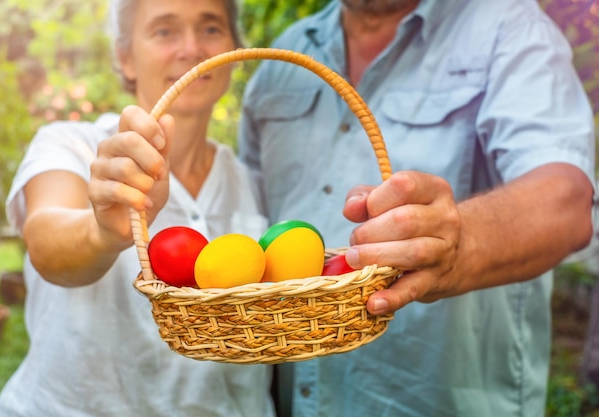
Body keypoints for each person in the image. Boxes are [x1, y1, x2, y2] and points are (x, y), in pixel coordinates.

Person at [238, 0, 596, 416]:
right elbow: (249, 221)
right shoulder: (288, 54)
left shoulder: (508, 28)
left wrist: (456, 243)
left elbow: (565, 203)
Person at [0, 1, 275, 416]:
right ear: (126, 58)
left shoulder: (251, 181)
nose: (192, 47)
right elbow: (46, 242)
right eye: (165, 31)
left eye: (211, 28)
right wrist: (102, 233)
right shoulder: (71, 145)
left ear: (233, 49)